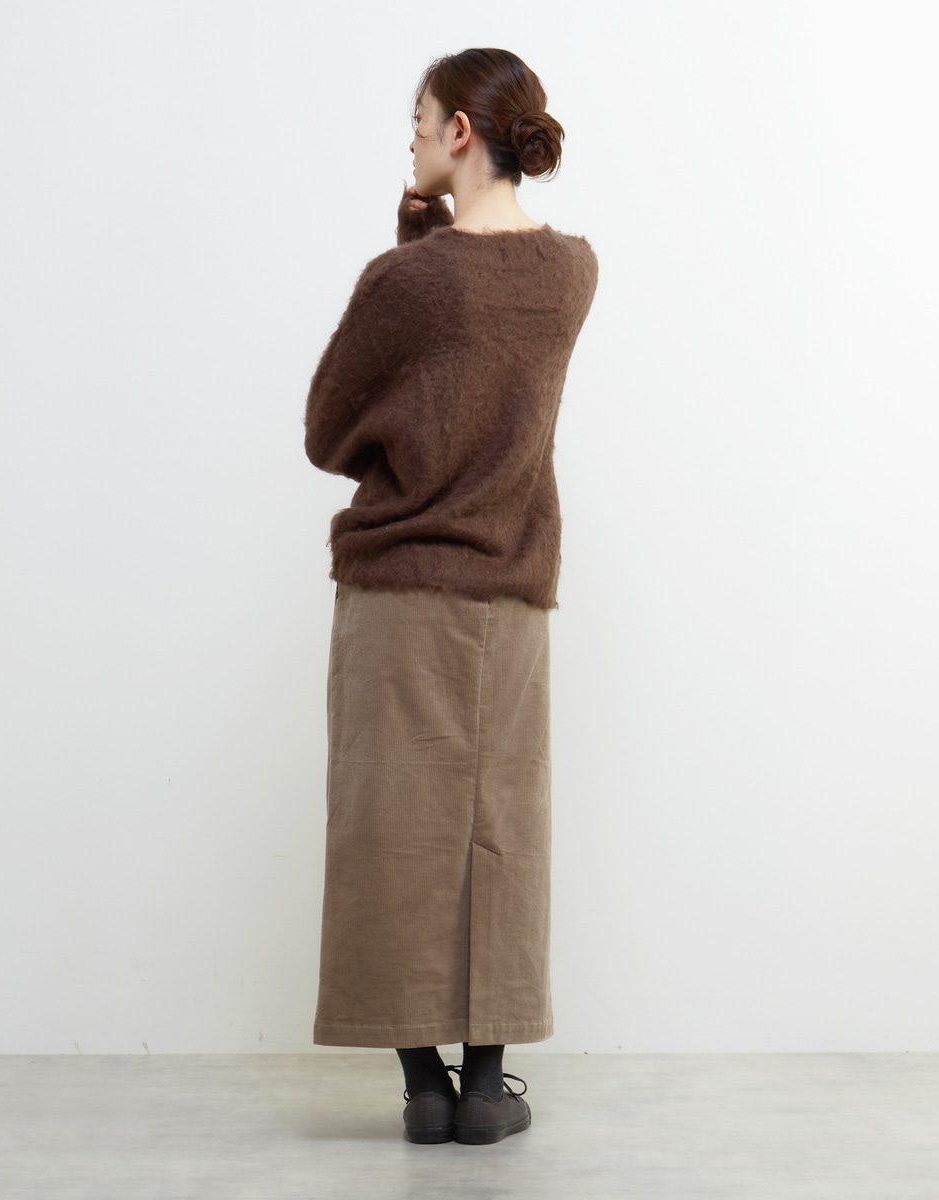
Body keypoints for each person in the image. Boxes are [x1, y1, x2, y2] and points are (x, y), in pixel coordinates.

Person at [304, 47, 598, 1145]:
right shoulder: (573, 273)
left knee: (392, 828)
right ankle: (485, 1087)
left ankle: (422, 1087)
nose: (415, 137)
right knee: (498, 827)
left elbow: (330, 429)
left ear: (461, 133)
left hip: (399, 592)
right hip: (509, 594)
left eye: (422, 120)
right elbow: (481, 354)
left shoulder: (408, 283)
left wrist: (411, 245)